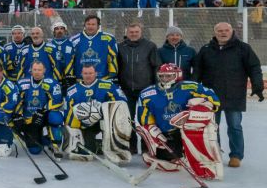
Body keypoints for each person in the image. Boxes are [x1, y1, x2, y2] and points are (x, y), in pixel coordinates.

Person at [192, 22, 264, 168]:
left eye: (226, 30)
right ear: (215, 32)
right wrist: (193, 89)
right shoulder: (206, 49)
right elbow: (197, 71)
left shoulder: (243, 48)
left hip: (234, 93)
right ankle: (214, 153)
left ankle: (236, 155)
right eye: (220, 31)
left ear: (232, 31)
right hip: (211, 96)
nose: (223, 33)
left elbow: (254, 67)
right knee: (212, 127)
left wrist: (257, 85)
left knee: (235, 126)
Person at [136, 63, 222, 179]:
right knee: (169, 157)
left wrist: (204, 102)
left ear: (177, 75)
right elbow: (144, 117)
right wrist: (152, 129)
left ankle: (203, 160)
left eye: (169, 76)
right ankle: (163, 155)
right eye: (162, 76)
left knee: (199, 141)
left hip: (185, 131)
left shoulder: (189, 87)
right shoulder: (147, 94)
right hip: (165, 134)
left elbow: (213, 98)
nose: (165, 79)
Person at [64, 64, 130, 163]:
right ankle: (95, 145)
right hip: (86, 124)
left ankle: (117, 148)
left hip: (106, 121)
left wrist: (102, 109)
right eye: (85, 73)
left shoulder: (108, 85)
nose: (88, 75)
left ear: (95, 73)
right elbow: (68, 113)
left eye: (90, 73)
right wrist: (75, 131)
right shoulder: (72, 90)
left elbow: (122, 102)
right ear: (81, 74)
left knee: (113, 123)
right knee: (88, 149)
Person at [117, 22, 160, 152]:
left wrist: (156, 86)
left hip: (145, 89)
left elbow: (156, 66)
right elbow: (116, 67)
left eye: (136, 32)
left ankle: (147, 146)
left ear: (141, 32)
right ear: (127, 33)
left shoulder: (150, 46)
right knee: (128, 118)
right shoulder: (120, 47)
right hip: (126, 89)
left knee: (146, 119)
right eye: (131, 32)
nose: (134, 34)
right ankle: (131, 145)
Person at [15, 60, 64, 158]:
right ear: (31, 70)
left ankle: (56, 145)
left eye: (39, 70)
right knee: (35, 150)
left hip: (45, 116)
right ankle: (44, 139)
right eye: (35, 69)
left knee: (56, 117)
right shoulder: (22, 83)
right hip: (30, 119)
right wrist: (18, 115)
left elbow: (57, 100)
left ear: (44, 70)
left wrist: (42, 111)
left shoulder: (52, 83)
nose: (37, 72)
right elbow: (17, 100)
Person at [66, 15, 118, 81]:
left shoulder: (108, 39)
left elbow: (113, 58)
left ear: (98, 26)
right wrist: (69, 75)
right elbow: (69, 60)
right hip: (81, 80)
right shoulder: (73, 40)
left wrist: (112, 75)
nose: (90, 27)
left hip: (102, 79)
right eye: (88, 24)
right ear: (84, 25)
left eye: (93, 24)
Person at [49, 22, 75, 89]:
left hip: (68, 77)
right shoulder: (49, 45)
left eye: (61, 28)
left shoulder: (71, 44)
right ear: (53, 31)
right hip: (54, 76)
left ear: (65, 31)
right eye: (57, 29)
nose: (59, 30)